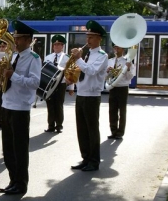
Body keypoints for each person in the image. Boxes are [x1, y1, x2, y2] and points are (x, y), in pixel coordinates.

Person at [0, 21, 42, 196]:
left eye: (18, 38)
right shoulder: (13, 56)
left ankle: (21, 183)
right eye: (14, 38)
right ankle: (12, 179)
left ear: (28, 40)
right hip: (7, 103)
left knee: (20, 148)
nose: (14, 41)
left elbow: (34, 83)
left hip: (21, 107)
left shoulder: (34, 59)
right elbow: (3, 80)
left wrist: (13, 75)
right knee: (7, 147)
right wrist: (0, 72)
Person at [71, 20, 109, 172]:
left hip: (92, 96)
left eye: (91, 37)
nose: (88, 40)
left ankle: (94, 161)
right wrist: (71, 77)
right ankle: (85, 158)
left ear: (99, 38)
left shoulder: (102, 55)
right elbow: (80, 72)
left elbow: (91, 71)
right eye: (87, 37)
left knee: (92, 129)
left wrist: (78, 59)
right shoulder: (86, 54)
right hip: (81, 94)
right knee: (82, 129)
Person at [106, 44, 135, 139]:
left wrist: (129, 68)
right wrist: (108, 71)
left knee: (122, 111)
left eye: (118, 47)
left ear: (122, 49)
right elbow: (106, 77)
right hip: (112, 87)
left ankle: (120, 132)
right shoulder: (110, 61)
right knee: (112, 111)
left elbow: (130, 77)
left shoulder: (127, 61)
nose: (116, 49)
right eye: (115, 47)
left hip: (122, 87)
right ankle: (113, 131)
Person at [43, 34, 70, 133]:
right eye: (55, 44)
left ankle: (59, 125)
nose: (56, 46)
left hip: (61, 84)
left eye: (59, 44)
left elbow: (70, 72)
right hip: (49, 84)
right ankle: (50, 125)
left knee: (58, 104)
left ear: (62, 46)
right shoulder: (48, 57)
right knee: (50, 104)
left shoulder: (66, 58)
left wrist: (71, 87)